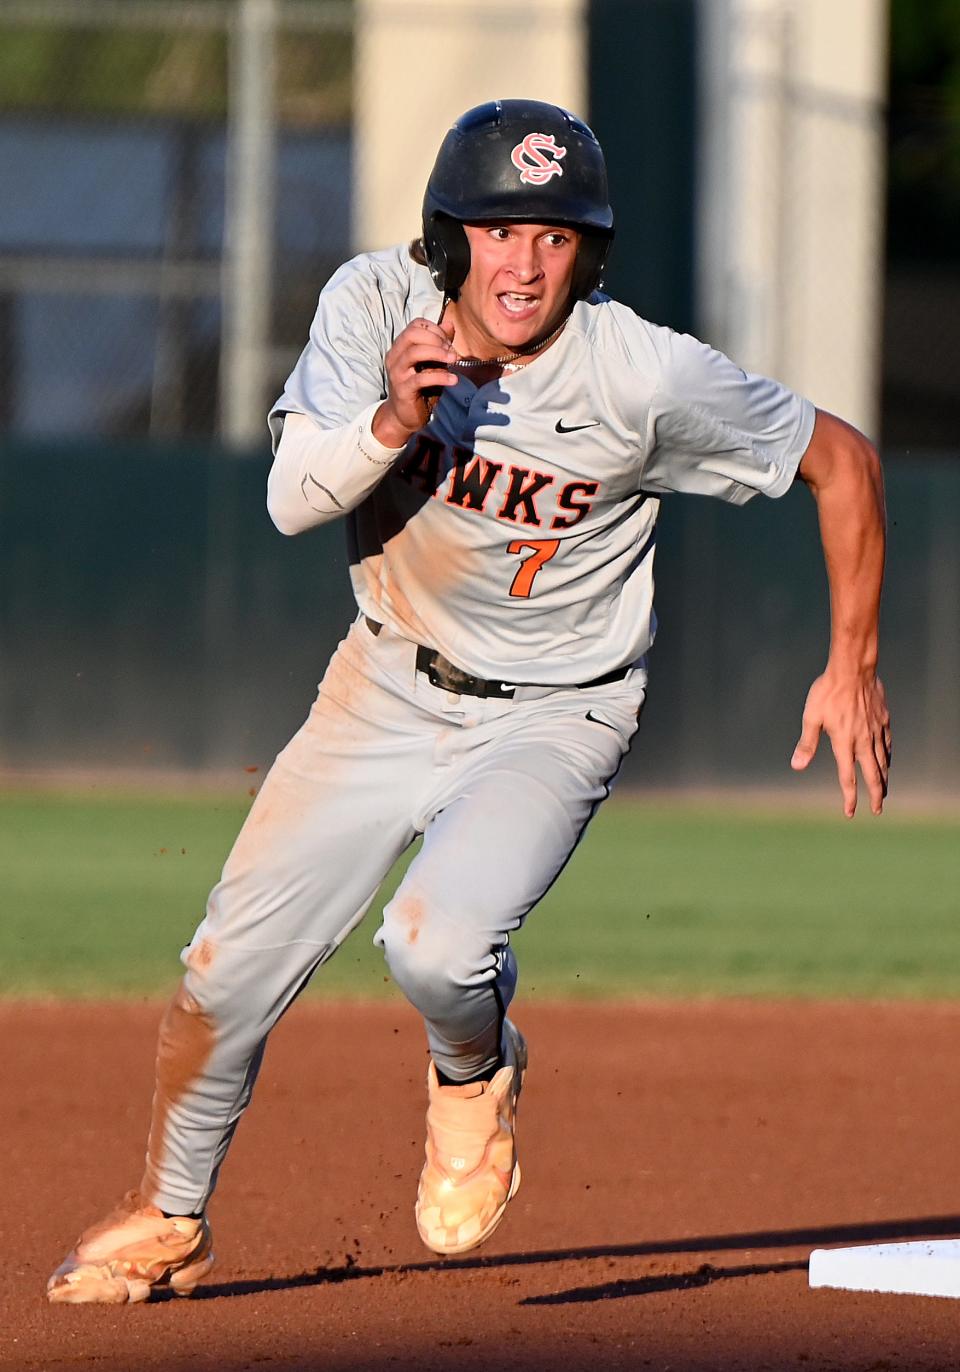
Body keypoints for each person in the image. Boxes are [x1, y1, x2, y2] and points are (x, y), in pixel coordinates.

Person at [47, 99, 890, 1304]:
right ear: (448, 239)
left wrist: (849, 661)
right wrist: (391, 417)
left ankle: (474, 1069)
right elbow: (292, 499)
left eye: (556, 236)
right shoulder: (370, 306)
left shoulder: (640, 373)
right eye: (497, 230)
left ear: (590, 255)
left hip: (560, 710)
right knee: (221, 972)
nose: (526, 263)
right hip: (383, 680)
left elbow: (843, 460)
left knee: (435, 946)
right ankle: (170, 1214)